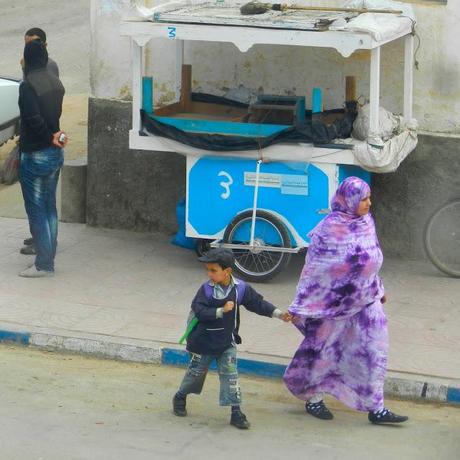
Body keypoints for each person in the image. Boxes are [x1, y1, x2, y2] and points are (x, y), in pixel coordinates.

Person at [283, 177, 408, 425]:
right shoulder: (328, 229)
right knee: (324, 352)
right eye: (364, 199)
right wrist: (304, 303)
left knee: (374, 350)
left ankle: (376, 407)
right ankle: (314, 398)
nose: (369, 203)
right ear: (349, 200)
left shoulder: (366, 223)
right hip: (333, 306)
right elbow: (315, 270)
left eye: (369, 198)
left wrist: (378, 286)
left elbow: (371, 259)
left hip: (366, 301)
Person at [172, 248, 291, 429]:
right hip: (203, 342)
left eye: (213, 270)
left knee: (231, 376)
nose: (209, 274)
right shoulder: (205, 290)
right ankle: (180, 396)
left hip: (227, 342)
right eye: (208, 270)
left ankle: (236, 412)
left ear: (227, 271)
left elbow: (257, 303)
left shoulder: (241, 289)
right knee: (195, 374)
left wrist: (279, 314)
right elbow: (199, 311)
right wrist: (221, 311)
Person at [18, 40, 67, 278]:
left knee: (36, 209)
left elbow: (33, 119)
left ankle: (44, 264)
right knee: (49, 207)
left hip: (35, 153)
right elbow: (52, 117)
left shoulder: (28, 86)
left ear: (27, 59)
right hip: (54, 152)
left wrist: (48, 137)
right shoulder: (56, 82)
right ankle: (48, 258)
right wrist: (54, 137)